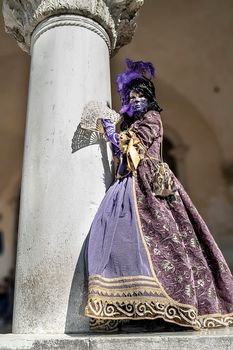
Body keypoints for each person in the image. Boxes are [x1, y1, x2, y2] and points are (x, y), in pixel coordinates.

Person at [83, 59, 233, 331]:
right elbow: (123, 153)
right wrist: (113, 133)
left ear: (149, 98)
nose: (136, 100)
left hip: (150, 185)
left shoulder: (152, 119)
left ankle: (171, 307)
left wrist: (111, 132)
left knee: (165, 243)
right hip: (127, 185)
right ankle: (134, 308)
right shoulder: (133, 123)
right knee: (122, 243)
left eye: (141, 95)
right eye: (132, 97)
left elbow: (132, 147)